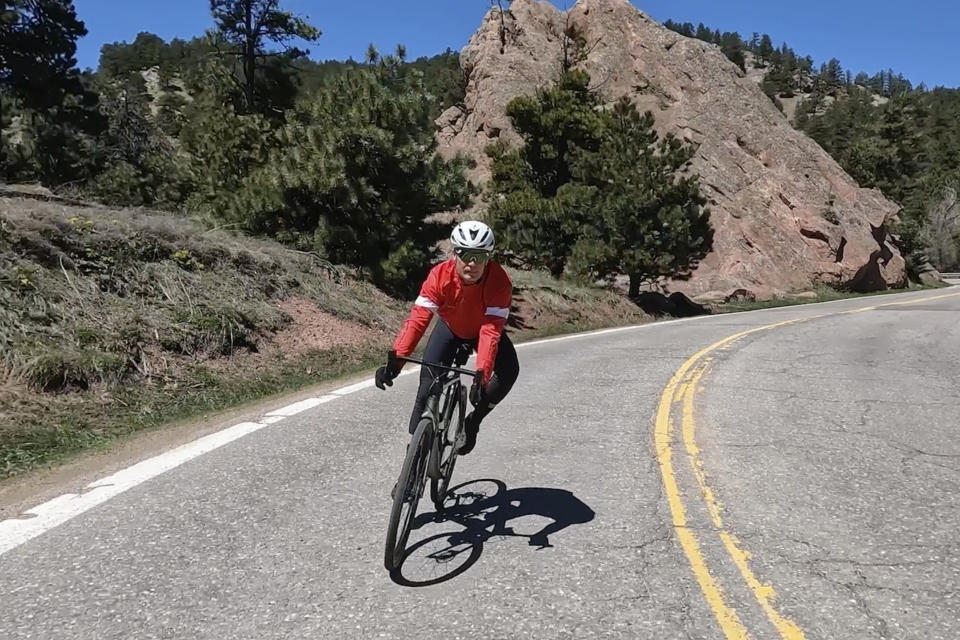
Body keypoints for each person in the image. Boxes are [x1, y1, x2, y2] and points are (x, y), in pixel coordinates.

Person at [374, 220, 519, 456]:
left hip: (483, 330)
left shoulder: (500, 282)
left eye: (479, 256)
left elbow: (490, 332)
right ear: (454, 253)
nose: (472, 263)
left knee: (510, 370)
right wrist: (396, 362)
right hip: (450, 328)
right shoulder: (439, 276)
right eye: (465, 254)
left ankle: (473, 423)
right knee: (426, 389)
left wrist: (479, 381)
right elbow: (418, 320)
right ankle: (414, 458)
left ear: (488, 258)